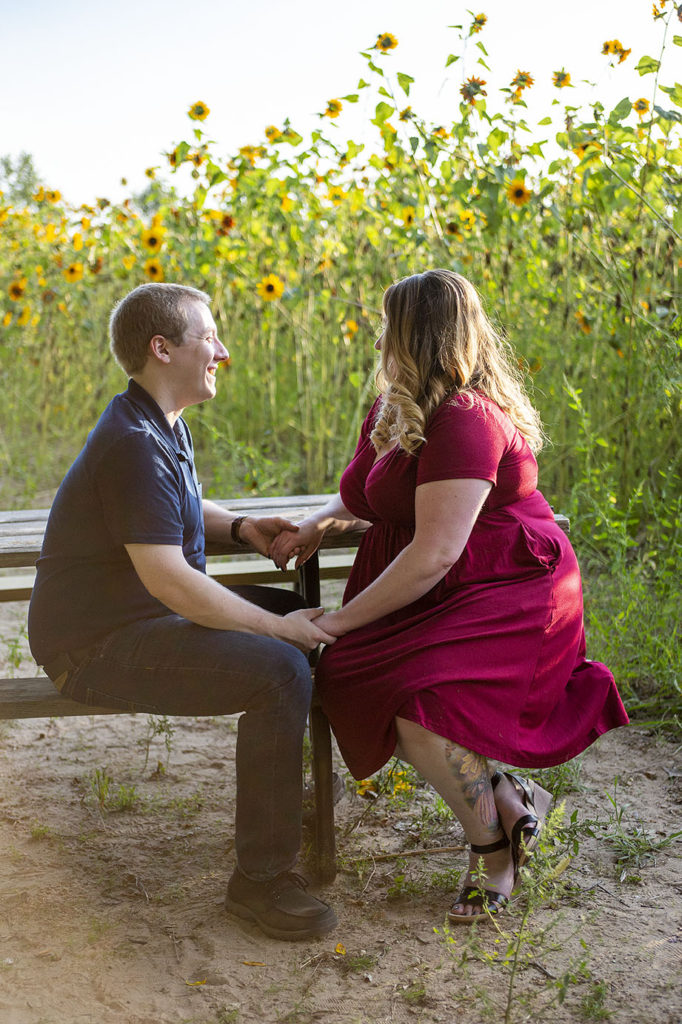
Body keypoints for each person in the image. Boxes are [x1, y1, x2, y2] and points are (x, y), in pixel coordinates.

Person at [270, 269, 629, 923]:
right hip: (443, 587)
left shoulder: (466, 418)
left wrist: (341, 620)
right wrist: (317, 522)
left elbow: (435, 552)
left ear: (414, 335)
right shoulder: (398, 403)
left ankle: (493, 853)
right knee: (352, 678)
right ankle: (509, 797)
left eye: (389, 326)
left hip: (508, 590)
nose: (381, 338)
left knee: (422, 702)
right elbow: (363, 493)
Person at [28, 282, 338, 941]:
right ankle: (260, 885)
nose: (222, 352)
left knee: (290, 621)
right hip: (97, 645)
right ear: (161, 348)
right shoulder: (132, 444)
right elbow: (171, 581)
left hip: (137, 620)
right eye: (210, 338)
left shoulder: (154, 422)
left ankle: (286, 803)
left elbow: (177, 516)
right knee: (281, 666)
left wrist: (245, 527)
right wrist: (278, 631)